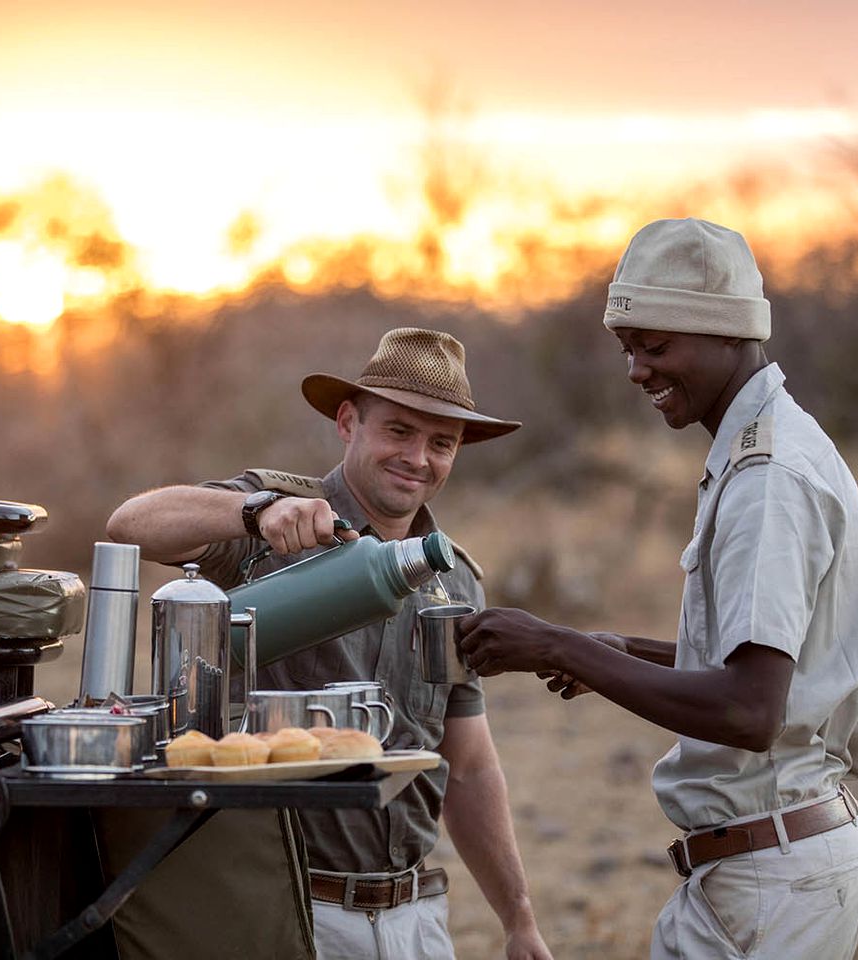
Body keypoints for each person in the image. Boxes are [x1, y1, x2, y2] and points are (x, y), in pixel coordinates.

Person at [458, 219, 858, 959]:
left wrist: (556, 642)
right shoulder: (762, 447)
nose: (636, 371)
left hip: (771, 883)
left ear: (726, 332)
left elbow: (751, 709)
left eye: (655, 347)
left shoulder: (768, 480)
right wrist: (620, 651)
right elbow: (765, 672)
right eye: (628, 349)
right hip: (769, 866)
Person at [106, 327, 552, 960]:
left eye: (441, 443)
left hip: (416, 915)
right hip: (283, 907)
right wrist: (254, 511)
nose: (418, 458)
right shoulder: (281, 514)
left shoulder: (456, 579)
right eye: (398, 431)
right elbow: (131, 525)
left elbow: (470, 763)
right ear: (349, 423)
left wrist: (519, 919)